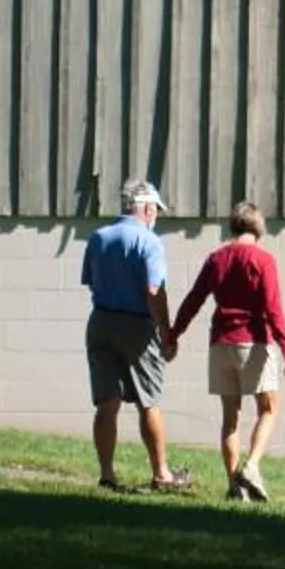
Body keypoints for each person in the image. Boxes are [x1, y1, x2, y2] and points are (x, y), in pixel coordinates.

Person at [171, 199, 285, 503]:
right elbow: (272, 308)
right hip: (252, 343)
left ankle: (233, 485)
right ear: (258, 227)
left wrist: (174, 334)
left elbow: (194, 299)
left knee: (230, 419)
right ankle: (251, 467)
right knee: (268, 409)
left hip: (221, 344)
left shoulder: (216, 259)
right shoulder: (263, 260)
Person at [78, 179, 192, 494]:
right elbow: (154, 290)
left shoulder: (98, 237)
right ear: (144, 207)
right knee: (149, 401)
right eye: (154, 208)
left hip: (100, 321)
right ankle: (161, 473)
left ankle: (107, 473)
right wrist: (166, 331)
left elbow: (90, 281)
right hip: (137, 327)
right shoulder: (150, 242)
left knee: (107, 402)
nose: (155, 215)